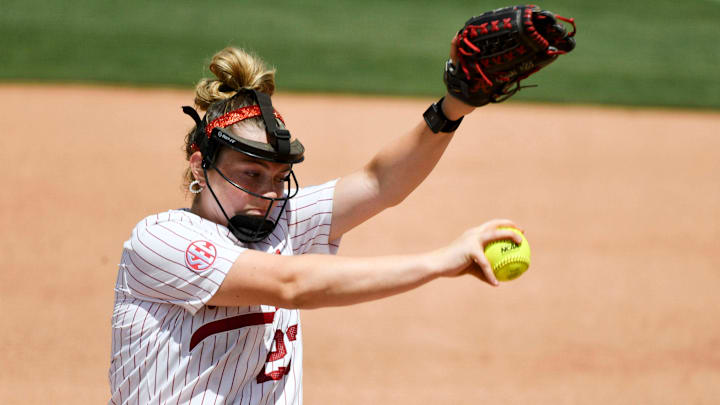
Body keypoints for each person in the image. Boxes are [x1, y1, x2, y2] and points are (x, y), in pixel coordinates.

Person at [108, 45, 524, 405]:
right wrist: (441, 262)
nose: (268, 195)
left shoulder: (278, 222)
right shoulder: (162, 240)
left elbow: (379, 183)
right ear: (201, 164)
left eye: (277, 178)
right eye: (251, 175)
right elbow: (293, 285)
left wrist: (453, 107)